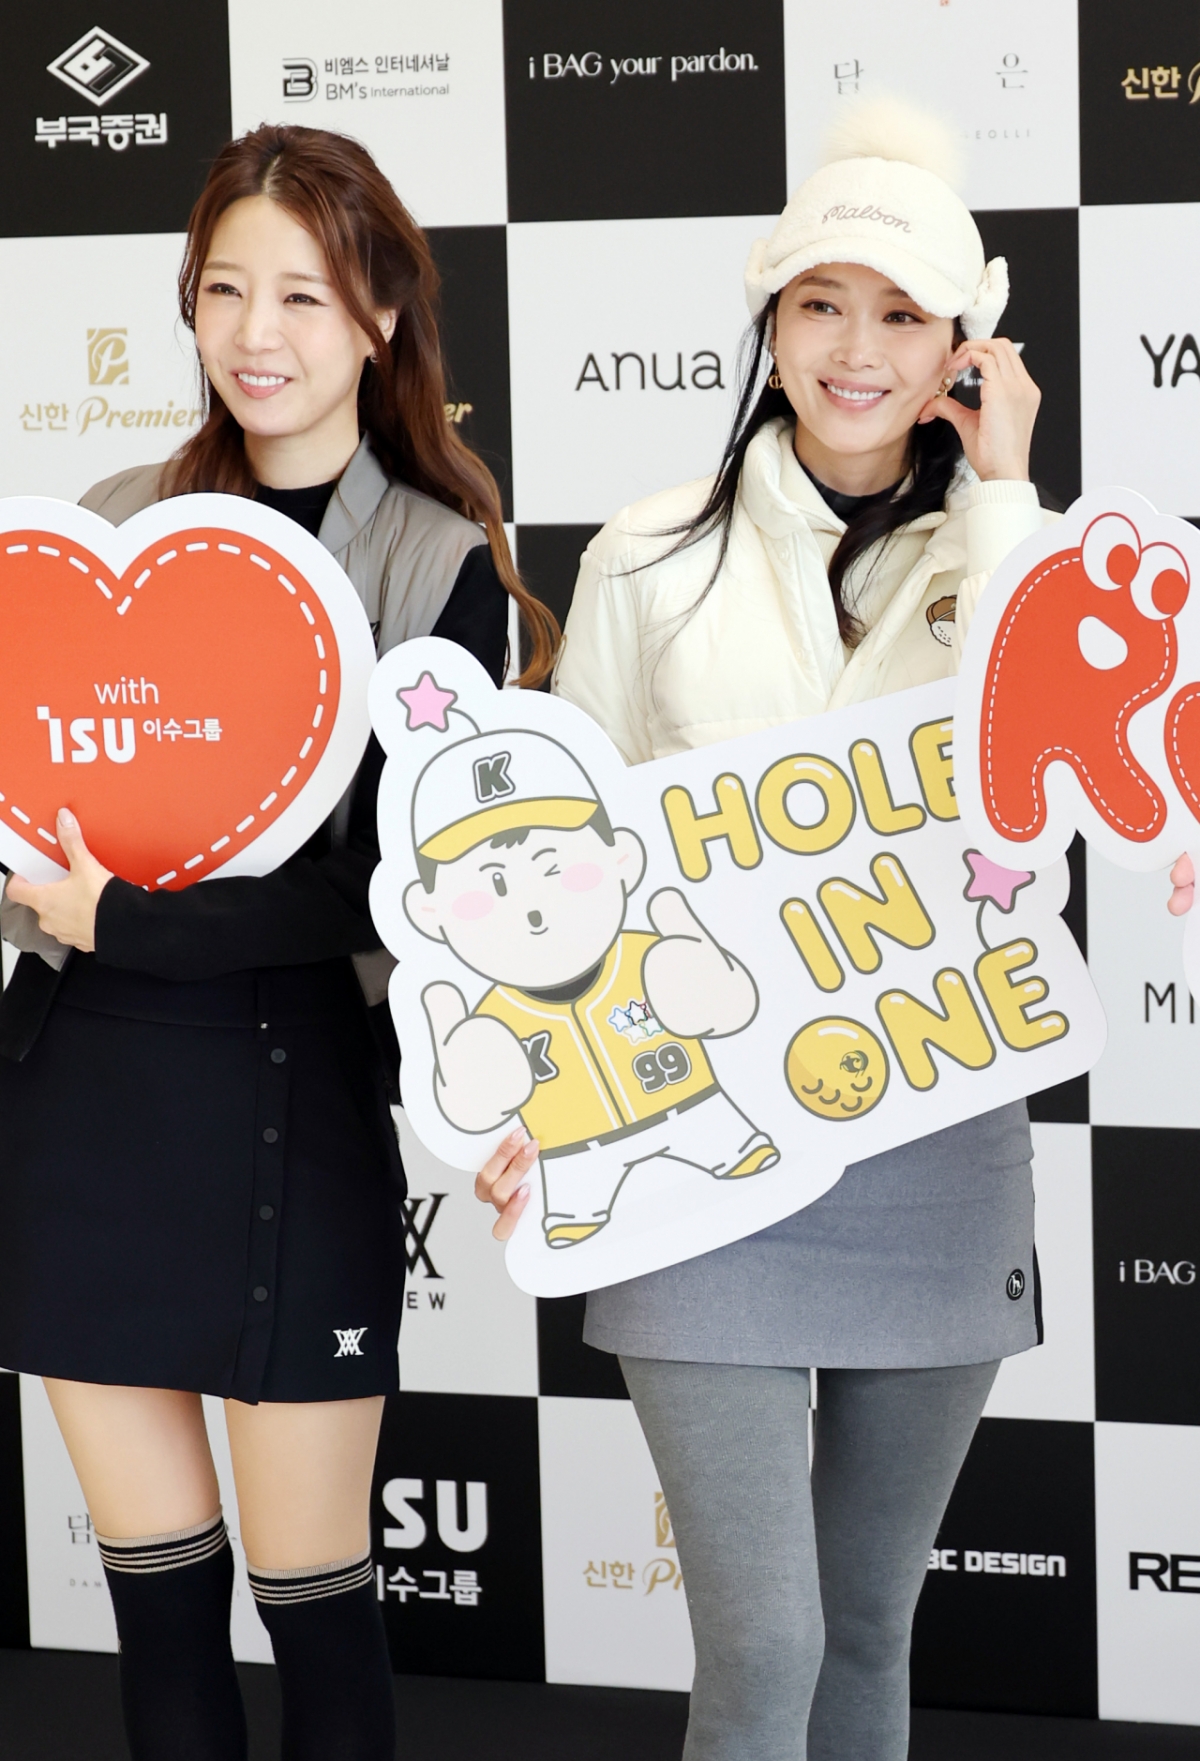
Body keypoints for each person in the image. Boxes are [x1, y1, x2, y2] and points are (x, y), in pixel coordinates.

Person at [480, 98, 1047, 1760]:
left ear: (961, 344)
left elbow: (1026, 795)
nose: (856, 350)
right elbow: (568, 851)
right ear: (771, 320)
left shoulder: (1018, 552)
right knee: (765, 1637)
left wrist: (1006, 494)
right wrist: (536, 1096)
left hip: (936, 1126)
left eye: (902, 313)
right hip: (699, 1143)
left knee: (868, 1623)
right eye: (821, 304)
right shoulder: (650, 553)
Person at [0, 125, 551, 1761]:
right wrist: (52, 891)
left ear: (380, 315)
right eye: (226, 289)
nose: (258, 333)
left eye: (304, 294)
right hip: (85, 1103)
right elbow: (32, 828)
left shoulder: (442, 562)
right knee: (160, 1608)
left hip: (295, 1111)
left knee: (318, 1606)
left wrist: (127, 916)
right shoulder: (111, 524)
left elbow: (392, 891)